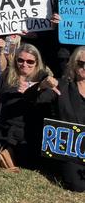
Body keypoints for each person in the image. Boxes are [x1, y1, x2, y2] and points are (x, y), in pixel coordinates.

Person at [0, 43, 53, 171]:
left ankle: (11, 153)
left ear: (37, 62)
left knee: (30, 162)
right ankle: (7, 151)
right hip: (6, 127)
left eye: (30, 61)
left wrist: (37, 88)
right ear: (16, 59)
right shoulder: (7, 76)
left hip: (29, 130)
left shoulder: (43, 78)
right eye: (20, 60)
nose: (24, 64)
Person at [34, 47, 85, 191]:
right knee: (78, 185)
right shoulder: (62, 85)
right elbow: (34, 99)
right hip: (69, 149)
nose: (84, 68)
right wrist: (42, 86)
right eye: (81, 63)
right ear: (74, 64)